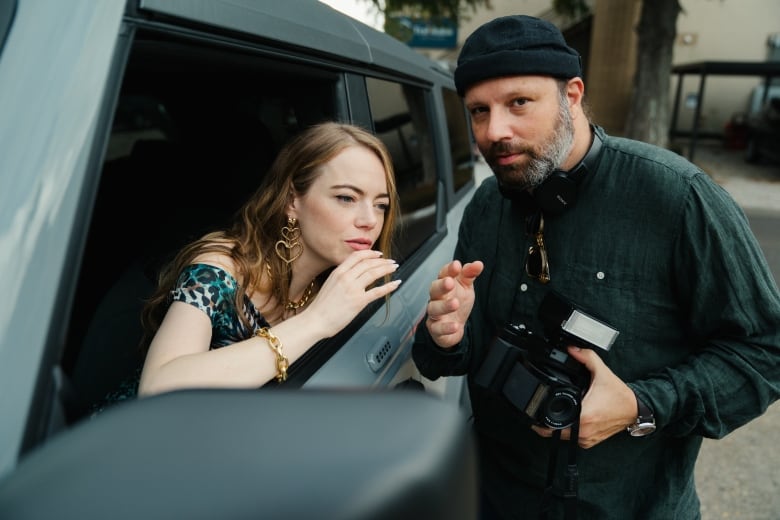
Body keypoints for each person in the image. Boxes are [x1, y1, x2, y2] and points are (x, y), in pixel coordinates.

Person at [412, 14, 780, 520]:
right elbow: (460, 354)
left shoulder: (677, 197)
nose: (495, 130)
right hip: (494, 498)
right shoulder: (486, 205)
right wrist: (446, 335)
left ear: (573, 95)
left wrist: (642, 404)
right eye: (479, 111)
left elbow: (764, 350)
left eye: (519, 102)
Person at [136, 121, 401, 396]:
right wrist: (315, 321)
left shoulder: (336, 286)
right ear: (291, 201)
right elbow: (157, 389)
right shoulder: (220, 268)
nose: (370, 221)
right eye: (346, 198)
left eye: (380, 205)